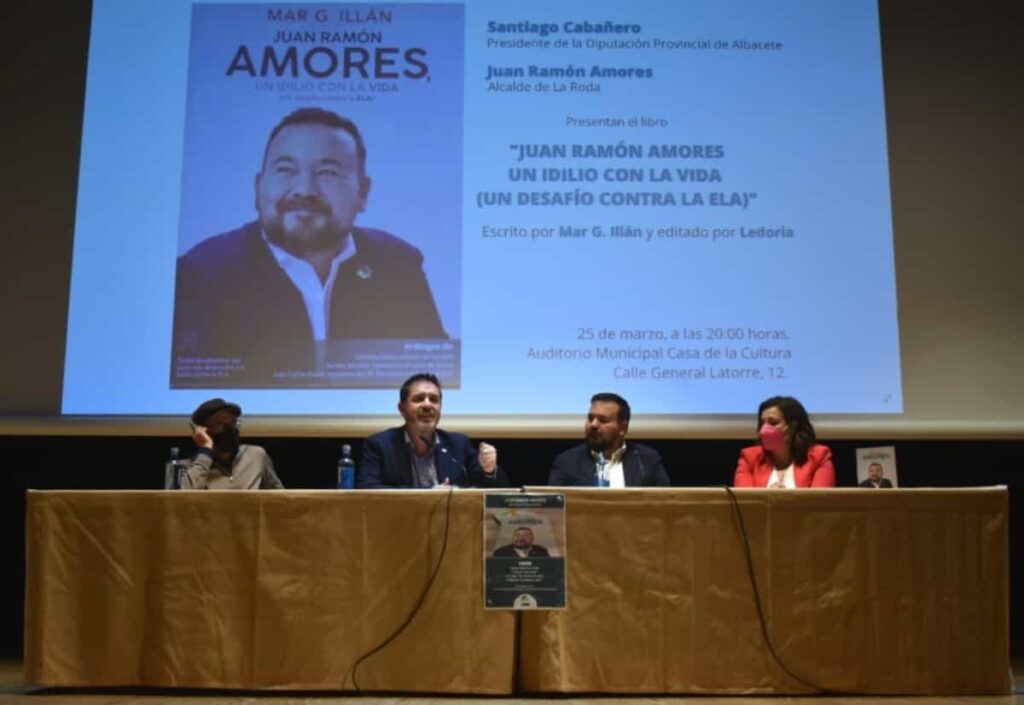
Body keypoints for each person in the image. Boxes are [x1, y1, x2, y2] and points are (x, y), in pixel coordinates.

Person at [171, 107, 447, 384]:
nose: (304, 189)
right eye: (285, 170)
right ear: (258, 187)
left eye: (328, 172)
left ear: (363, 192)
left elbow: (434, 378)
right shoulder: (201, 273)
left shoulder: (398, 264)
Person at [357, 373, 508, 488]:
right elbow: (367, 489)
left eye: (434, 400)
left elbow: (496, 491)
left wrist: (489, 470)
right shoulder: (380, 445)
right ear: (402, 408)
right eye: (419, 399)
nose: (427, 405)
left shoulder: (458, 445)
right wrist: (430, 494)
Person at [548, 392, 670, 487]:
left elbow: (665, 504)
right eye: (590, 418)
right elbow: (553, 508)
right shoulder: (567, 462)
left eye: (603, 420)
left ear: (623, 428)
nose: (593, 425)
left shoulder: (647, 460)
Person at [180, 398, 284, 490]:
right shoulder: (189, 466)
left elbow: (278, 495)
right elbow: (183, 498)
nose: (231, 428)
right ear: (204, 431)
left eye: (233, 422)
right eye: (221, 423)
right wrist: (205, 451)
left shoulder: (256, 455)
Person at [733, 396, 835, 488]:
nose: (764, 429)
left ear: (792, 428)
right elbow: (744, 500)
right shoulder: (750, 458)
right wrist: (769, 496)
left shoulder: (819, 457)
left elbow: (821, 500)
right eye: (762, 423)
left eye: (773, 422)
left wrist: (783, 498)